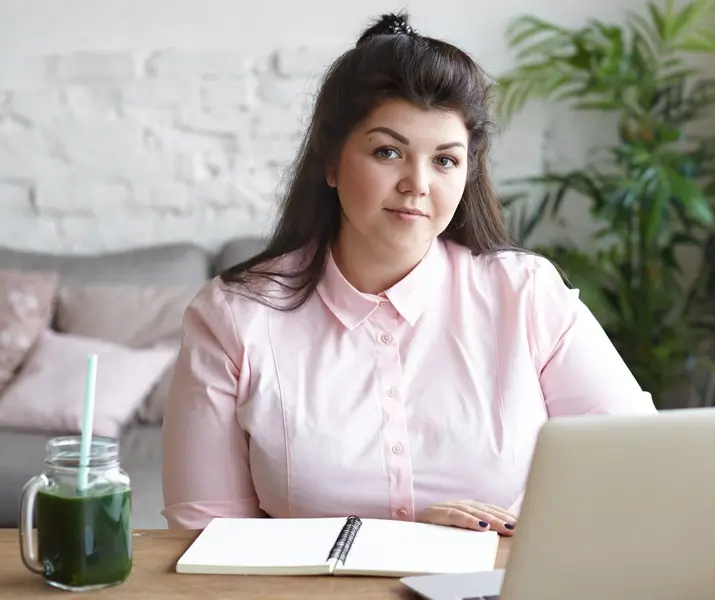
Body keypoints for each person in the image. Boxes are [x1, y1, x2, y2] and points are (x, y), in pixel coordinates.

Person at [160, 11, 656, 533]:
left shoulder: (526, 294)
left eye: (445, 160)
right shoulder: (234, 316)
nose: (417, 183)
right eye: (388, 152)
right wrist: (404, 535)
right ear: (330, 162)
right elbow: (204, 540)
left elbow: (636, 465)